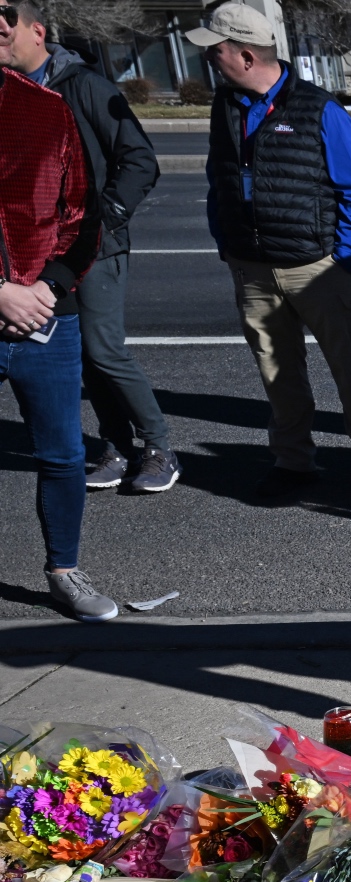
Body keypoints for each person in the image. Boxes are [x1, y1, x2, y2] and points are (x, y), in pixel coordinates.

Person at [190, 2, 351, 503]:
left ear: (243, 54)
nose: (209, 59)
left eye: (214, 50)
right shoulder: (226, 105)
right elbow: (220, 182)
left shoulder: (319, 109)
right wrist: (228, 243)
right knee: (277, 372)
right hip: (253, 267)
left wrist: (343, 259)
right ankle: (293, 462)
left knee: (350, 369)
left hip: (317, 268)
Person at [3, 3, 176, 495]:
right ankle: (116, 447)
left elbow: (140, 161)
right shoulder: (15, 94)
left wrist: (104, 220)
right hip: (46, 253)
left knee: (104, 349)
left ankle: (160, 447)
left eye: (7, 28)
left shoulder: (82, 85)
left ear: (37, 32)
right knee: (81, 352)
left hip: (94, 245)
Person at [0, 48, 117, 621]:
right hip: (9, 298)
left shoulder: (45, 109)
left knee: (64, 455)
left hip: (46, 313)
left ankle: (64, 571)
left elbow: (82, 212)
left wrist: (50, 285)